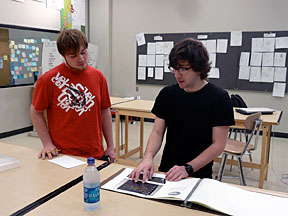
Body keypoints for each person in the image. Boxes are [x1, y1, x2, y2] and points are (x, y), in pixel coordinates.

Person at [130, 38, 235, 182]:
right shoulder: (167, 94)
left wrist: (188, 168)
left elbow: (218, 145)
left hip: (198, 174)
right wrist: (148, 158)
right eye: (174, 68)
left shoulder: (219, 98)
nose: (177, 74)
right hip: (167, 171)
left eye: (184, 69)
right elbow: (157, 132)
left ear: (199, 68)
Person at [30, 28, 115, 163]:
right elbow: (36, 111)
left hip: (95, 152)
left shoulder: (98, 77)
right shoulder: (49, 79)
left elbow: (104, 111)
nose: (81, 59)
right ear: (63, 56)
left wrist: (110, 146)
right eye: (73, 56)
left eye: (83, 53)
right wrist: (47, 144)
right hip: (63, 155)